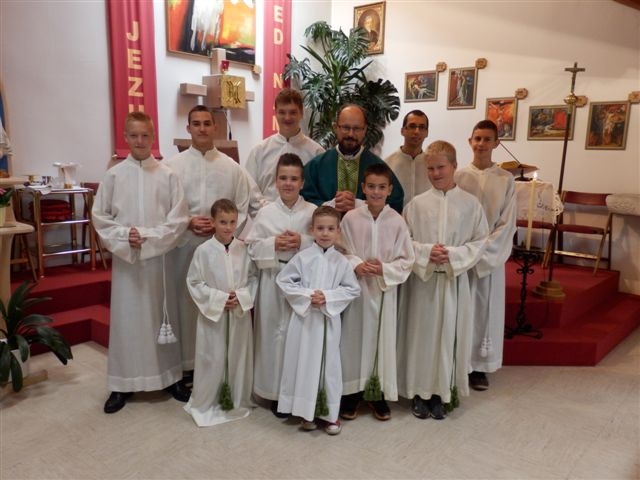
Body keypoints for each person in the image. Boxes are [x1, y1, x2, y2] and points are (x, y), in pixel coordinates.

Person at [92, 111, 190, 414]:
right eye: (133, 135)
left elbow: (178, 220)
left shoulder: (168, 176)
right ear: (125, 137)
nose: (139, 141)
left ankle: (170, 376)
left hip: (159, 261)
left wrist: (146, 237)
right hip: (128, 262)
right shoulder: (113, 176)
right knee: (127, 321)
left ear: (153, 137)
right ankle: (122, 383)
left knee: (163, 317)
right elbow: (101, 217)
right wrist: (125, 236)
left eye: (145, 135)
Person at [165, 105, 261, 386]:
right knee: (186, 304)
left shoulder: (231, 168)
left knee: (217, 304)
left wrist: (223, 230)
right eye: (196, 123)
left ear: (215, 127)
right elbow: (165, 207)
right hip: (184, 245)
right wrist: (187, 222)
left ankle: (216, 366)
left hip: (220, 250)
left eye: (207, 123)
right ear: (188, 128)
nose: (202, 128)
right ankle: (186, 365)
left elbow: (245, 203)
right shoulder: (172, 167)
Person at [397, 140, 488, 420]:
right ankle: (419, 392)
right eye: (430, 169)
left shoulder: (471, 205)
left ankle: (441, 393)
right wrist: (426, 252)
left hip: (453, 282)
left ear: (454, 166)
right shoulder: (416, 205)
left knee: (449, 337)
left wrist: (452, 255)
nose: (435, 174)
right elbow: (404, 242)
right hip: (423, 283)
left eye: (441, 167)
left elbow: (480, 241)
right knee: (421, 338)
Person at [275, 206, 361, 435]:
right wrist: (307, 295)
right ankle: (307, 413)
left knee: (328, 366)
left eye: (330, 229)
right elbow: (284, 281)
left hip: (328, 322)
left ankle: (331, 415)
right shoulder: (302, 257)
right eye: (320, 228)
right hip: (304, 322)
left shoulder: (341, 261)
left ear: (338, 232)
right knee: (305, 364)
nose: (325, 233)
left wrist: (328, 297)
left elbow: (353, 289)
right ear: (312, 230)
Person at [339, 163, 414, 422]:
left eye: (382, 187)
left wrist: (385, 269)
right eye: (371, 186)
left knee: (381, 342)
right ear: (363, 188)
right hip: (357, 290)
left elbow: (407, 260)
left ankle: (376, 393)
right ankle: (351, 393)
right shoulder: (350, 218)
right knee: (353, 339)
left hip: (383, 290)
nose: (376, 192)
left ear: (390, 190)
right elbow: (340, 252)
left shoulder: (397, 221)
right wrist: (356, 265)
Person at [244, 153, 317, 416]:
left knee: (299, 336)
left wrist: (302, 241)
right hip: (273, 279)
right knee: (273, 336)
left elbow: (325, 242)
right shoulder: (265, 213)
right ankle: (274, 393)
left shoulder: (311, 212)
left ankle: (296, 391)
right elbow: (252, 248)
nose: (288, 183)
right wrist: (273, 243)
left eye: (294, 179)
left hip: (302, 282)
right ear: (275, 181)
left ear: (302, 182)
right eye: (283, 178)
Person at [184, 199, 258, 426]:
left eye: (232, 222)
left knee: (237, 356)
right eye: (223, 222)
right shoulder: (203, 251)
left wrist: (241, 296)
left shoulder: (243, 249)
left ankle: (236, 398)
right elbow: (194, 282)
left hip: (238, 314)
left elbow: (253, 278)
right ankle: (209, 400)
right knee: (213, 357)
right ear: (213, 222)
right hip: (213, 316)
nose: (228, 227)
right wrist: (218, 299)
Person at [455, 120, 516, 391]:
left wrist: (481, 251)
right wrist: (463, 251)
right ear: (470, 141)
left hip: (489, 257)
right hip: (462, 254)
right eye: (477, 138)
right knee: (462, 310)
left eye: (487, 139)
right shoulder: (458, 176)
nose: (481, 144)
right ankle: (459, 361)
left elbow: (507, 223)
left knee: (484, 310)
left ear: (496, 143)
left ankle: (479, 366)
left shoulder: (505, 179)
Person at [301, 104, 404, 214]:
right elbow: (302, 200)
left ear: (365, 130)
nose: (351, 134)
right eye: (346, 128)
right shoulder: (316, 166)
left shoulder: (378, 167)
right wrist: (328, 205)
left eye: (357, 129)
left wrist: (363, 205)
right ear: (335, 127)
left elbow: (395, 202)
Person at [242, 88, 324, 204]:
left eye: (293, 112)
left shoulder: (316, 153)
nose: (287, 118)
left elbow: (321, 194)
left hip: (305, 214)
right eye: (282, 112)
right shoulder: (259, 151)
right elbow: (249, 190)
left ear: (301, 113)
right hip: (266, 213)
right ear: (275, 113)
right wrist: (268, 211)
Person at [385, 110, 431, 207]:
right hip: (395, 215)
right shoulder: (387, 164)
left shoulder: (432, 164)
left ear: (426, 132)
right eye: (412, 126)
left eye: (422, 127)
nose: (417, 131)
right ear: (402, 131)